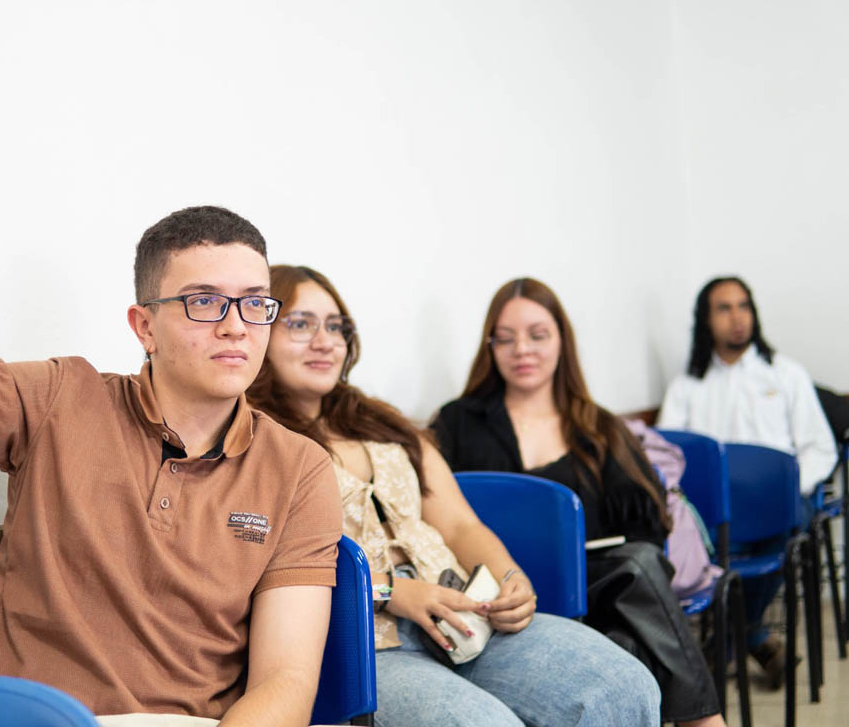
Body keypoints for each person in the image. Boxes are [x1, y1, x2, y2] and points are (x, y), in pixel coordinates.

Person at [0, 27, 343, 727]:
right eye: (205, 302)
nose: (236, 326)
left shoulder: (298, 469)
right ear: (143, 326)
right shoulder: (60, 399)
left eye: (254, 304)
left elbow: (285, 684)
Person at [247, 265, 661, 727]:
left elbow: (460, 525)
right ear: (261, 330)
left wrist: (508, 576)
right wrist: (390, 590)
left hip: (468, 615)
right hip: (366, 645)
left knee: (625, 685)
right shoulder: (256, 441)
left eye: (335, 325)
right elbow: (268, 566)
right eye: (300, 324)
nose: (324, 341)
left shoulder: (383, 424)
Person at [431, 277, 724, 727]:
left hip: (596, 590)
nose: (521, 350)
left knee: (637, 572)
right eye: (504, 339)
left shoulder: (600, 428)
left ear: (562, 341)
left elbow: (649, 527)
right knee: (630, 636)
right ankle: (705, 721)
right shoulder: (457, 422)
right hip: (495, 594)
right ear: (489, 347)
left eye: (537, 335)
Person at [658, 275, 838, 688]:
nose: (737, 318)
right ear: (706, 321)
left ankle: (721, 648)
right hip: (719, 519)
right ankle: (753, 637)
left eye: (744, 306)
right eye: (724, 308)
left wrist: (790, 489)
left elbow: (819, 448)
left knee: (788, 519)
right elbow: (668, 459)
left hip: (780, 510)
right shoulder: (687, 387)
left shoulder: (785, 374)